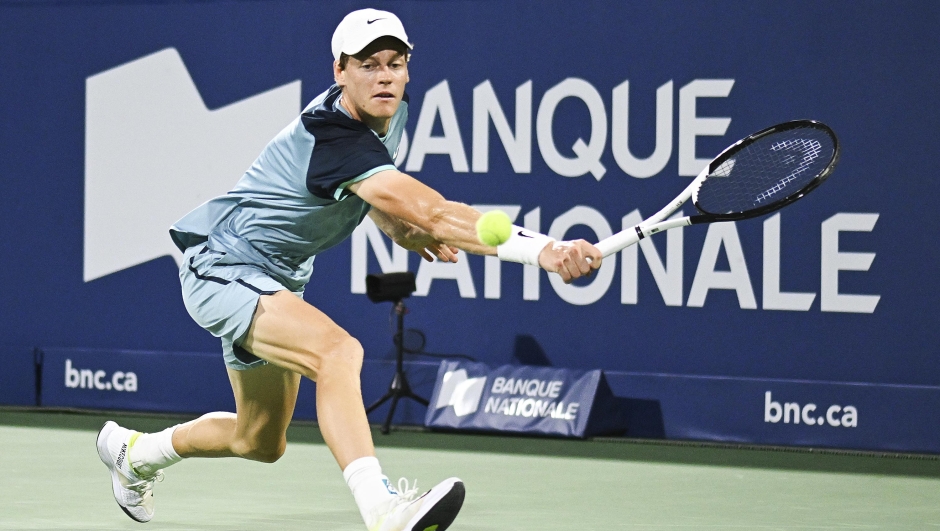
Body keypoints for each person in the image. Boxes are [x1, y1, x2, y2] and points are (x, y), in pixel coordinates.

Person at [95, 8, 602, 531]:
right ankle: (383, 510)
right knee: (338, 352)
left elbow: (388, 206)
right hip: (224, 265)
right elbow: (428, 210)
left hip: (277, 277)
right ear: (340, 71)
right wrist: (542, 250)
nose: (384, 76)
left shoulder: (390, 111)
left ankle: (134, 454)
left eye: (395, 63)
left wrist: (406, 231)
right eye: (367, 64)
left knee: (259, 440)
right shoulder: (332, 133)